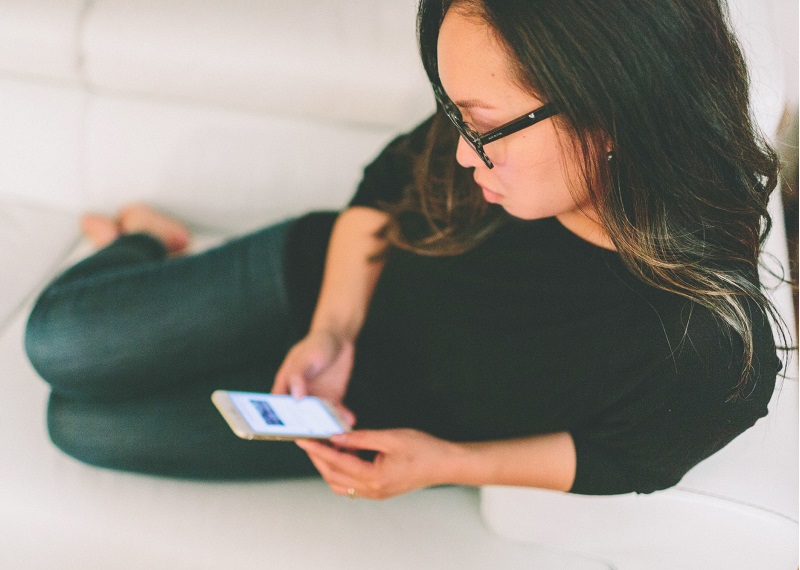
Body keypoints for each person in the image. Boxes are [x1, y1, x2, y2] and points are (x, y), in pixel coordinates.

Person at [25, 0, 785, 499]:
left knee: (79, 428)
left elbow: (635, 459)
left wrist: (450, 464)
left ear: (616, 108)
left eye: (480, 127)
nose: (459, 154)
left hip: (359, 413)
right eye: (452, 115)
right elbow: (381, 198)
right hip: (322, 280)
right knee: (58, 340)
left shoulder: (708, 349)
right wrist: (333, 328)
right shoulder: (491, 129)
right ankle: (145, 237)